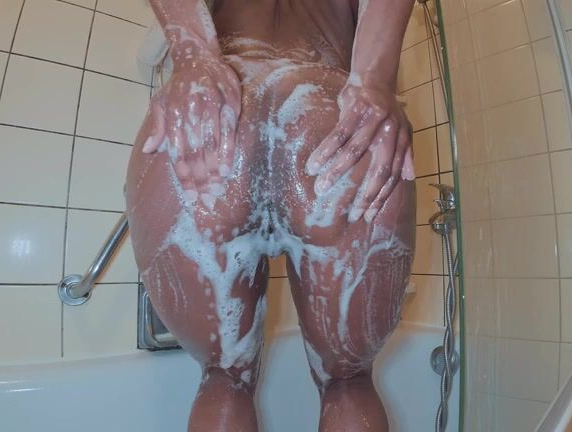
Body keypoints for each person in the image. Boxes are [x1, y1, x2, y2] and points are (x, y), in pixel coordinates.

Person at [125, 0, 416, 430]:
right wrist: (375, 80)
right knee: (348, 383)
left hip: (210, 119)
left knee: (223, 378)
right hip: (333, 121)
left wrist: (193, 56)